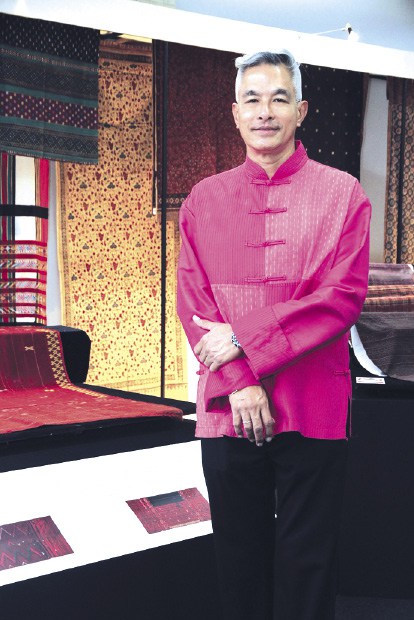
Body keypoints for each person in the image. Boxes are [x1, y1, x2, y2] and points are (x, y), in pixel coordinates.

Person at [177, 49, 371, 620]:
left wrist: (241, 340)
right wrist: (241, 381)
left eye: (279, 98)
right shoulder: (203, 199)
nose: (265, 111)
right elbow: (195, 304)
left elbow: (341, 298)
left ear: (301, 111)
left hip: (315, 400)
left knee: (310, 562)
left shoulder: (344, 195)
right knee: (239, 557)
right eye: (253, 100)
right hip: (227, 404)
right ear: (236, 114)